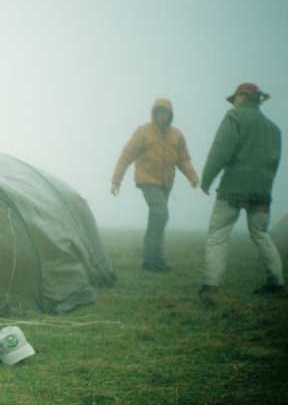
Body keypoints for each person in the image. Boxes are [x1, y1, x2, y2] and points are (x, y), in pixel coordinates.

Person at [199, 83, 284, 300]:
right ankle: (276, 282)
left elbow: (220, 151)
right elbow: (273, 164)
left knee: (218, 234)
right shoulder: (274, 129)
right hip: (262, 193)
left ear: (243, 96)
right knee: (261, 235)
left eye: (235, 98)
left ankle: (211, 286)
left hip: (232, 190)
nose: (233, 102)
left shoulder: (234, 117)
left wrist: (207, 180)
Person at [111, 99, 199, 271]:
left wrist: (192, 176)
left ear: (170, 115)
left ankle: (152, 260)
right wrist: (116, 180)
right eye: (159, 112)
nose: (162, 116)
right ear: (153, 114)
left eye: (165, 113)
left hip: (166, 183)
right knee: (160, 213)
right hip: (147, 180)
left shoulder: (177, 135)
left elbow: (183, 159)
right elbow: (126, 155)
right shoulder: (143, 132)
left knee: (158, 218)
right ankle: (153, 260)